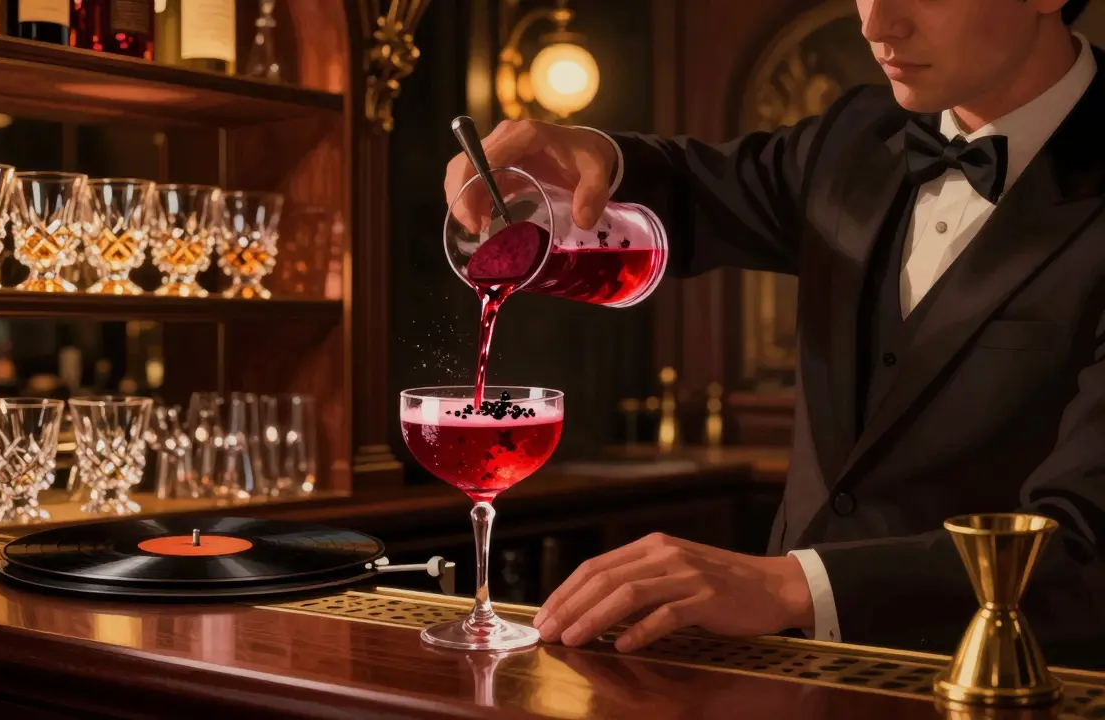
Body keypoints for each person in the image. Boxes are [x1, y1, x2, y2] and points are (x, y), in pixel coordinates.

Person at [444, 0, 1105, 666]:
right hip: (790, 678)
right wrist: (597, 156)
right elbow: (693, 188)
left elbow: (1087, 550)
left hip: (1017, 686)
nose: (876, 25)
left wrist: (795, 587)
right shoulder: (857, 134)